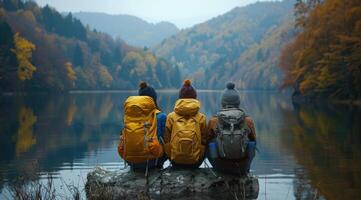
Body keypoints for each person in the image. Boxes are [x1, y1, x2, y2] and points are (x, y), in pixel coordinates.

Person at [207, 82, 256, 175]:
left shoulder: (214, 120)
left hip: (220, 166)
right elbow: (254, 141)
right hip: (242, 167)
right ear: (238, 102)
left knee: (209, 142)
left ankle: (218, 170)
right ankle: (246, 169)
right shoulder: (248, 120)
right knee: (252, 142)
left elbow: (206, 141)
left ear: (223, 102)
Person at [117, 82, 167, 170]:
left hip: (131, 161)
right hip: (153, 162)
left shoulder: (129, 115)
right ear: (154, 99)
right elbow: (165, 141)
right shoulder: (161, 116)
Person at [164, 80, 207, 168]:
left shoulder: (171, 117)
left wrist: (170, 155)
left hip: (175, 160)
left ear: (180, 98)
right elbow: (204, 140)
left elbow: (166, 140)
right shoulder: (201, 117)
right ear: (195, 97)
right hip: (196, 162)